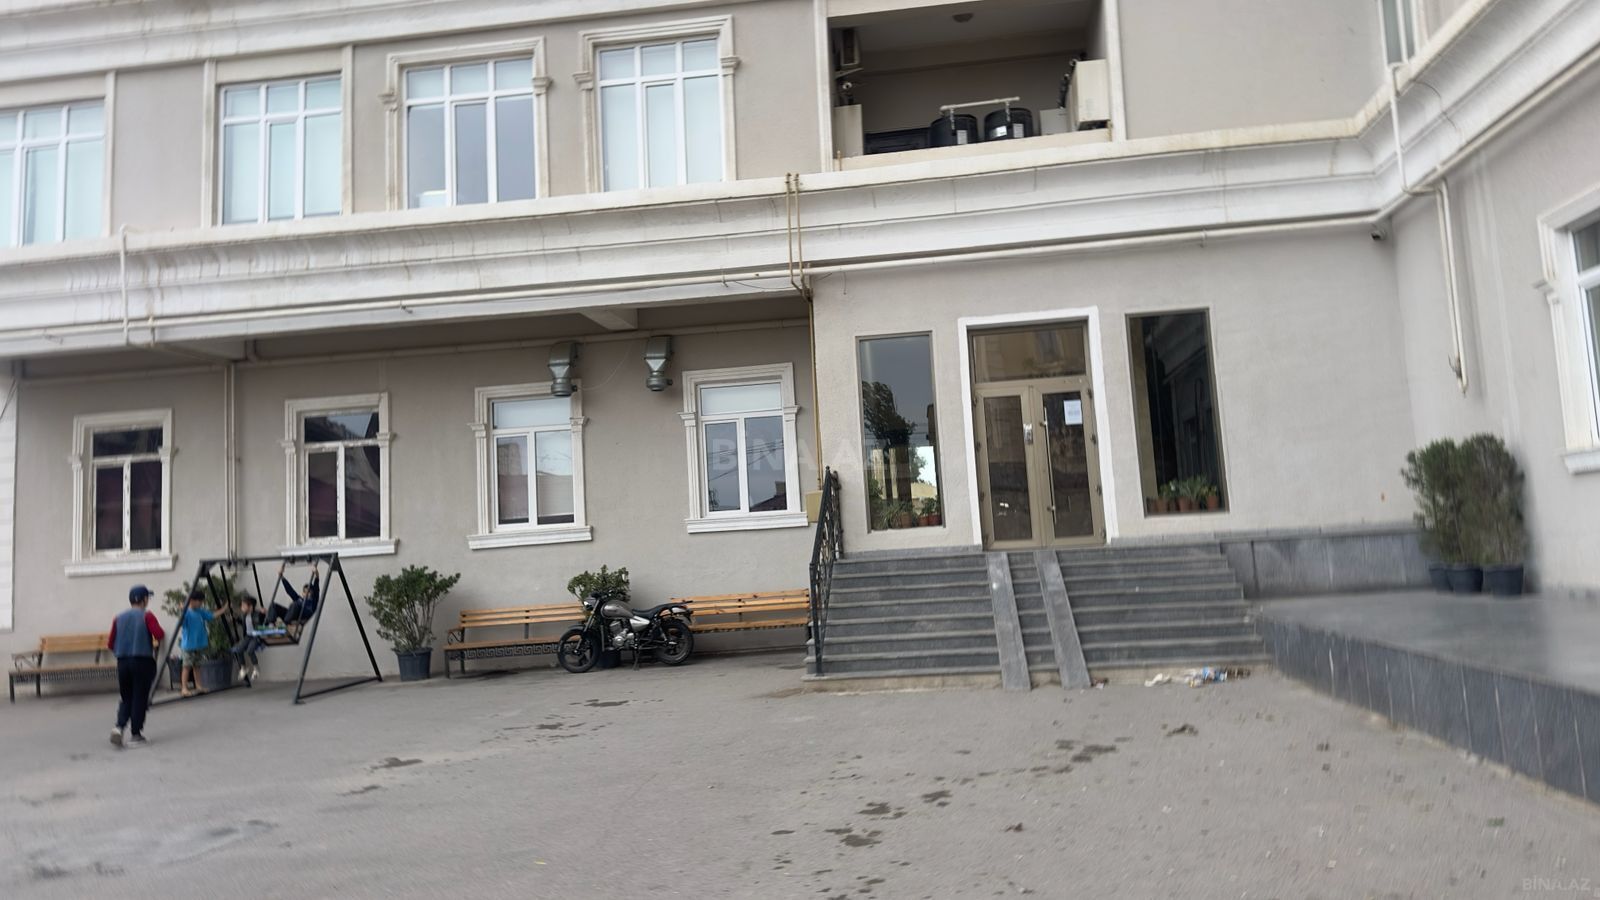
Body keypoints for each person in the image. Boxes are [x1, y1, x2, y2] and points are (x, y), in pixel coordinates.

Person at [108, 585, 165, 748]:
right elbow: (159, 634)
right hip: (141, 661)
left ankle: (119, 727)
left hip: (122, 662)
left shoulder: (118, 618)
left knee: (127, 697)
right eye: (148, 598)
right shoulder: (147, 616)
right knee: (139, 697)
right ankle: (136, 734)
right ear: (144, 600)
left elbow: (110, 643)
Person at [177, 589, 215, 698]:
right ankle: (184, 688)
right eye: (200, 601)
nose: (201, 603)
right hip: (188, 645)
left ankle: (199, 686)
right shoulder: (187, 613)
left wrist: (223, 609)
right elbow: (181, 623)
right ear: (192, 601)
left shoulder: (200, 611)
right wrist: (182, 610)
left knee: (197, 666)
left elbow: (211, 616)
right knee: (186, 666)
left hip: (198, 644)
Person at [266, 562, 320, 635]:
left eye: (308, 592)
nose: (306, 594)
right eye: (304, 592)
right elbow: (290, 591)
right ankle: (271, 624)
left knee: (295, 604)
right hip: (292, 614)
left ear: (312, 593)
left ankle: (284, 625)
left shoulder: (313, 601)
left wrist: (316, 574)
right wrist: (282, 577)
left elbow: (316, 589)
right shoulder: (299, 599)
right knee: (273, 605)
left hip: (302, 616)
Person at [230, 594, 267, 681]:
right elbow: (242, 623)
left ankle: (256, 668)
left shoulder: (258, 614)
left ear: (250, 606)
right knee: (238, 650)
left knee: (250, 650)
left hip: (256, 636)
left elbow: (264, 621)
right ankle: (243, 668)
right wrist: (235, 619)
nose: (242, 607)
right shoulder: (244, 615)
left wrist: (264, 614)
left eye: (244, 605)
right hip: (248, 636)